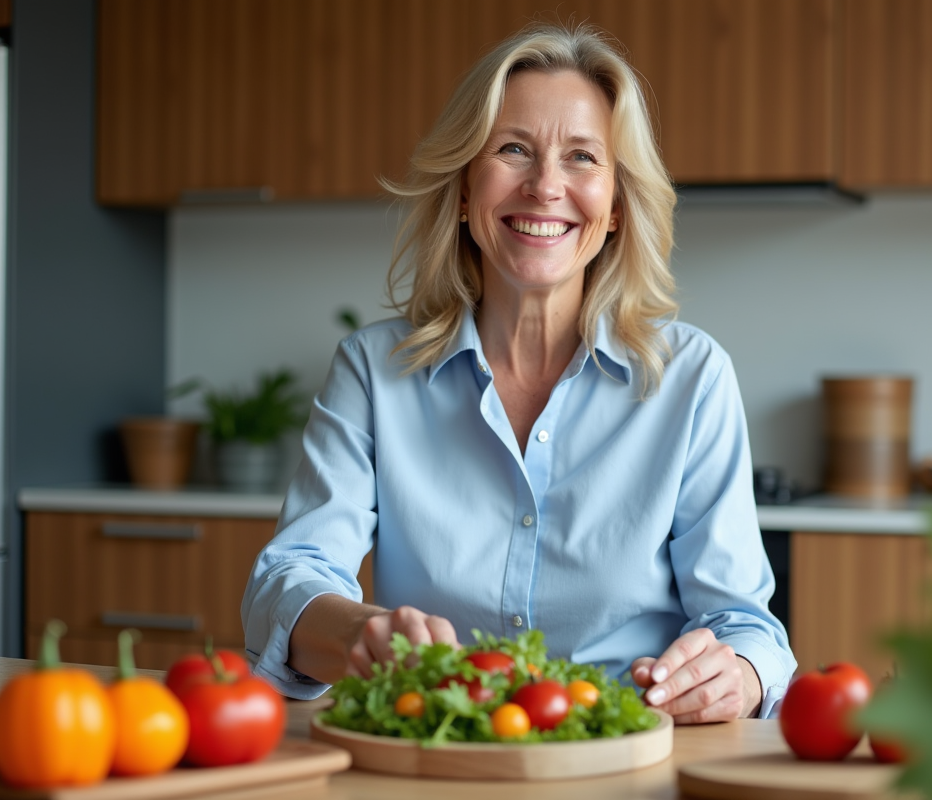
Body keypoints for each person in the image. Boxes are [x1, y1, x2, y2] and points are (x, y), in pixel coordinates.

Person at [241, 21, 795, 723]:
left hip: (629, 758)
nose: (544, 186)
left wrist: (738, 676)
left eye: (583, 158)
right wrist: (357, 632)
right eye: (512, 150)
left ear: (618, 207)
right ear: (466, 191)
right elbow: (286, 583)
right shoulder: (373, 371)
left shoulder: (691, 378)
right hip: (438, 754)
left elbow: (746, 627)